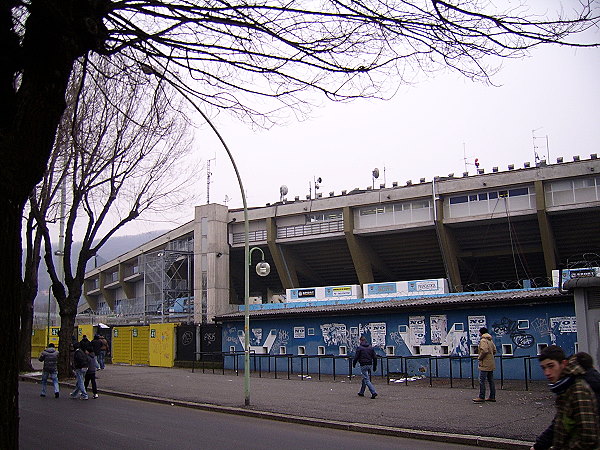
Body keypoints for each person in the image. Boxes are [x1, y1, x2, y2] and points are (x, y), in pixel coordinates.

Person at [531, 345, 600, 450]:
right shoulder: (565, 385)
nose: (547, 373)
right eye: (544, 368)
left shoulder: (578, 389)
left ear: (563, 364)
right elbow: (559, 422)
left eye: (551, 366)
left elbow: (588, 437)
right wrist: (539, 445)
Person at [473, 327, 497, 403]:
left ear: (481, 332)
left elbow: (484, 350)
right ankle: (492, 396)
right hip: (491, 363)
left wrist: (480, 357)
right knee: (491, 380)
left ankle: (481, 396)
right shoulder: (490, 340)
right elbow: (494, 350)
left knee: (481, 380)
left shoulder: (483, 340)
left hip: (484, 363)